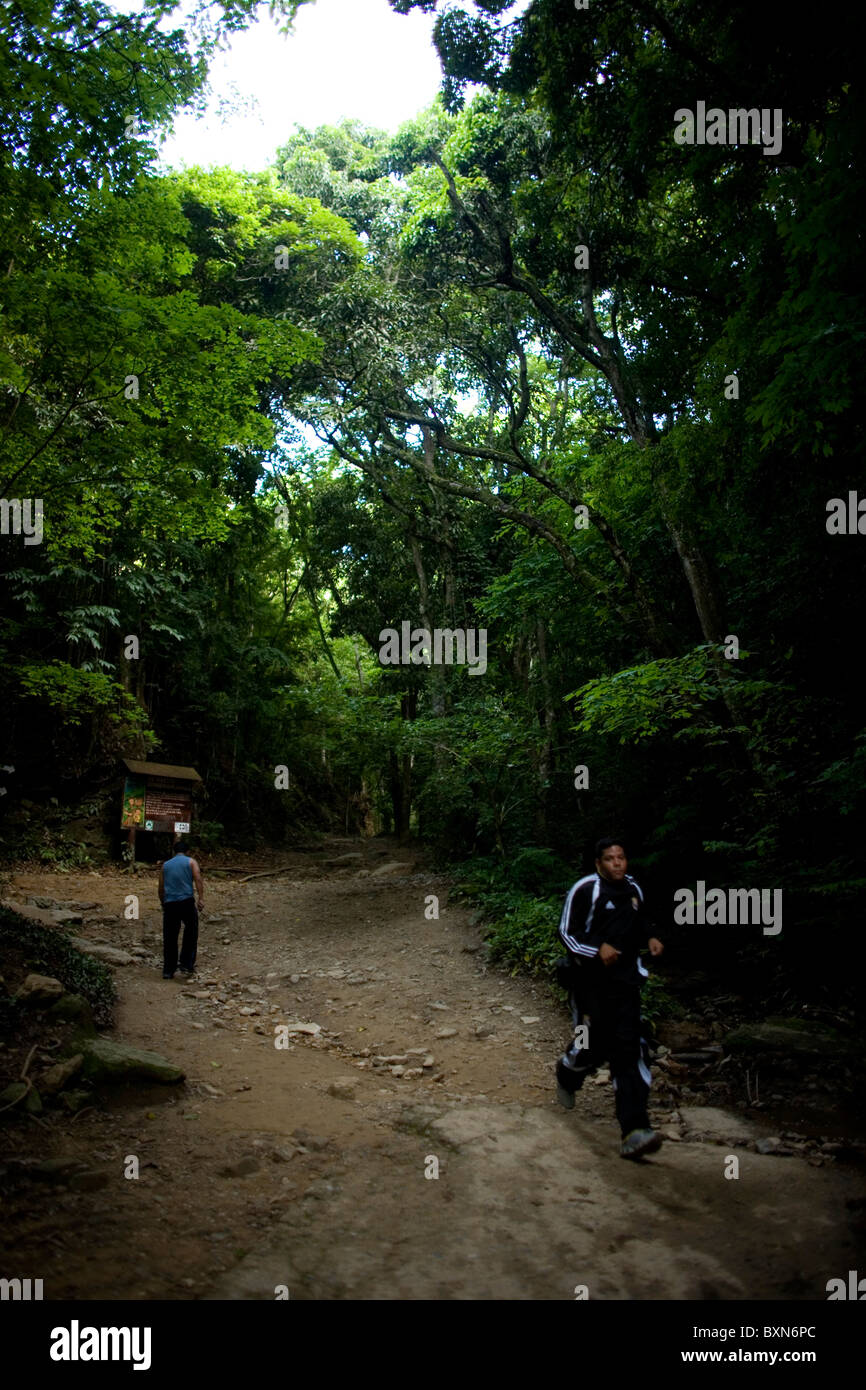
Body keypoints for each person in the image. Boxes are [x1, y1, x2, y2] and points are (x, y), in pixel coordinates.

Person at [555, 837, 665, 1160]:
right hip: (590, 985)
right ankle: (567, 1073)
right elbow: (566, 933)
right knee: (590, 1044)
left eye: (621, 857)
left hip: (626, 983)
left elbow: (643, 920)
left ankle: (635, 1129)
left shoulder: (634, 890)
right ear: (598, 864)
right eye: (609, 858)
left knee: (629, 1050)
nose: (617, 863)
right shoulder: (585, 889)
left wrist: (652, 937)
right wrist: (596, 948)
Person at [158, 837, 204, 980]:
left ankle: (168, 970)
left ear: (174, 851)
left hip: (170, 903)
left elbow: (160, 887)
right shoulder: (191, 862)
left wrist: (162, 902)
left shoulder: (166, 865)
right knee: (191, 931)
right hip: (187, 902)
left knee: (170, 936)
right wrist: (201, 898)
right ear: (187, 851)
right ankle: (186, 963)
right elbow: (198, 879)